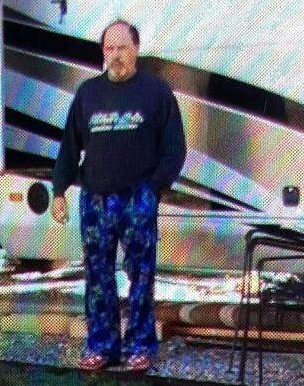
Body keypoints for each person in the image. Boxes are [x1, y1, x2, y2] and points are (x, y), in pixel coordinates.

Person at [51, 19, 186, 372]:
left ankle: (140, 347)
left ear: (136, 49)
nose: (115, 55)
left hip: (137, 198)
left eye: (122, 48)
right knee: (97, 276)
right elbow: (70, 145)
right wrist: (59, 190)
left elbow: (174, 150)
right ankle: (102, 347)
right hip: (94, 200)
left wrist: (153, 189)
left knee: (140, 275)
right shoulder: (87, 93)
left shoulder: (156, 93)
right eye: (109, 49)